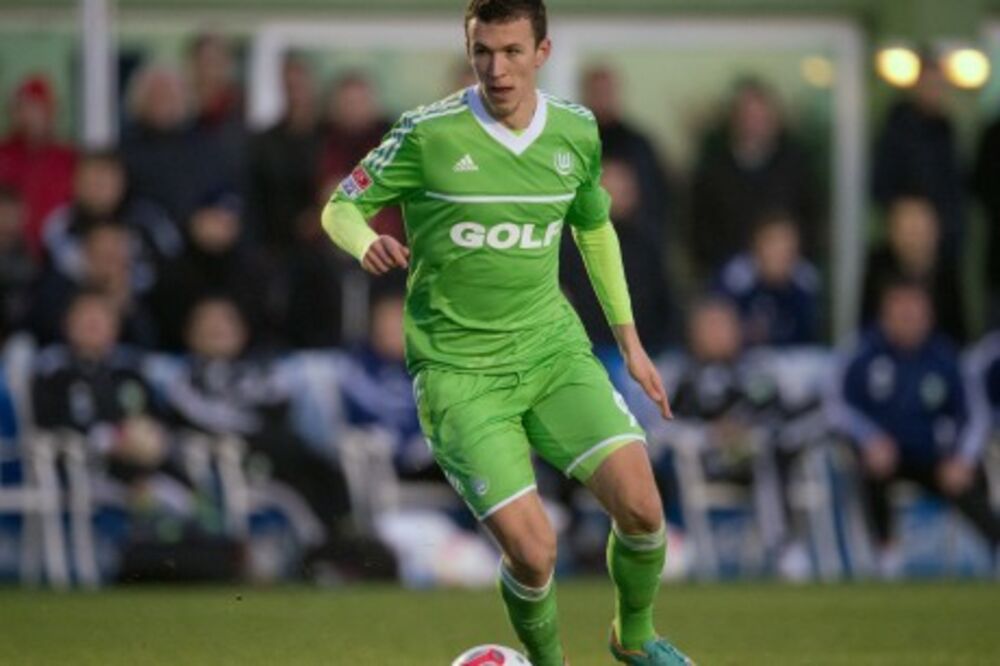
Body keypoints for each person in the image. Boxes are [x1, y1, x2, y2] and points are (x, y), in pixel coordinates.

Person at [320, 2, 692, 664]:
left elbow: (593, 228)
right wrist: (363, 241)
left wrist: (629, 344)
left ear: (542, 52)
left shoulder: (576, 131)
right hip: (459, 373)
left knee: (643, 509)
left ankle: (634, 638)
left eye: (513, 51)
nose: (497, 69)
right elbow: (341, 205)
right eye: (483, 52)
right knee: (534, 550)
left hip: (552, 353)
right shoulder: (428, 134)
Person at [832, 279, 1000, 577]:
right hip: (885, 455)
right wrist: (869, 438)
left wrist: (962, 458)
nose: (908, 318)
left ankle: (995, 548)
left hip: (934, 457)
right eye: (900, 311)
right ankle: (885, 556)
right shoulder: (863, 353)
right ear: (885, 314)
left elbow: (975, 416)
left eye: (914, 312)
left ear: (928, 315)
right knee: (871, 470)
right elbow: (838, 406)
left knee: (969, 479)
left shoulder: (946, 358)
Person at [690, 78, 821, 277]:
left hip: (788, 273)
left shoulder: (796, 166)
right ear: (734, 119)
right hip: (727, 274)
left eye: (761, 116)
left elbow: (811, 219)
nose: (754, 123)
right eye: (748, 115)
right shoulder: (714, 170)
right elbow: (699, 227)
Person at [860, 195, 965, 344]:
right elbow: (865, 325)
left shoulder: (947, 271)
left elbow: (958, 334)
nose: (913, 236)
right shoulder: (877, 266)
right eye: (906, 227)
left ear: (936, 229)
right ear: (892, 230)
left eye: (919, 227)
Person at [714, 212, 821, 348]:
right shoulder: (735, 279)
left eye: (787, 245)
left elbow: (808, 338)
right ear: (756, 246)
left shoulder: (805, 281)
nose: (780, 252)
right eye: (773, 243)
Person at [0, 75, 76, 254]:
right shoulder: (3, 153)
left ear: (52, 111)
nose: (29, 115)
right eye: (21, 107)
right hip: (9, 251)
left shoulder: (69, 157)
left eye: (37, 107)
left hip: (57, 251)